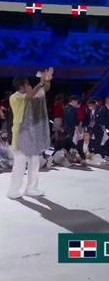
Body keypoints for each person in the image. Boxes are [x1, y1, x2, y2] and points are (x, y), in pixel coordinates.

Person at [7, 69, 53, 199]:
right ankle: (13, 191)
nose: (29, 87)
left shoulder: (32, 96)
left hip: (32, 134)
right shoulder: (15, 97)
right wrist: (40, 82)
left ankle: (31, 188)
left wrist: (46, 80)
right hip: (20, 134)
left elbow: (45, 90)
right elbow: (29, 96)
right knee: (20, 164)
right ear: (22, 86)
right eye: (28, 85)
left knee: (34, 161)